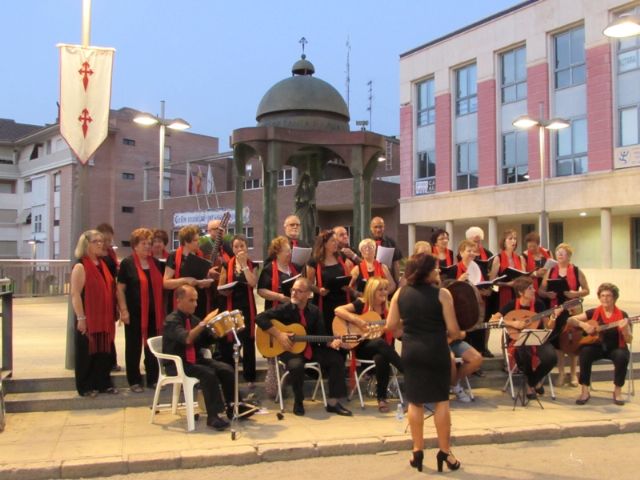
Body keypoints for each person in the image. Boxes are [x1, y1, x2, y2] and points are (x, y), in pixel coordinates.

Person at [386, 253, 462, 473]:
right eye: (435, 268)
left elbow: (391, 325)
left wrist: (408, 332)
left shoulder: (400, 293)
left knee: (415, 401)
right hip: (436, 350)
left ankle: (417, 451)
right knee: (441, 401)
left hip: (412, 350)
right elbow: (454, 330)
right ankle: (445, 452)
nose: (438, 271)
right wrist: (455, 334)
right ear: (426, 271)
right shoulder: (443, 294)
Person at [162, 285, 257, 431]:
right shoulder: (172, 320)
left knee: (226, 369)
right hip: (179, 363)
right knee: (208, 374)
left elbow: (203, 341)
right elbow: (187, 339)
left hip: (196, 359)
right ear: (179, 301)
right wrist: (204, 323)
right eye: (191, 300)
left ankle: (234, 407)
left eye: (196, 300)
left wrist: (219, 331)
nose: (195, 304)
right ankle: (213, 416)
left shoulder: (193, 319)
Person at [256, 277, 352, 417]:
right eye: (292, 290)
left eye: (299, 291)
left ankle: (333, 403)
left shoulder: (315, 311)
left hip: (310, 349)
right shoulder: (285, 308)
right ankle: (298, 401)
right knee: (296, 365)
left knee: (336, 359)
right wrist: (279, 335)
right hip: (289, 350)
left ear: (308, 294)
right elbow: (259, 318)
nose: (294, 293)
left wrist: (332, 342)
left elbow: (321, 336)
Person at [334, 277, 403, 412]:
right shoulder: (361, 303)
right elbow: (338, 310)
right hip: (362, 347)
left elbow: (396, 334)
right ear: (372, 291)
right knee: (379, 343)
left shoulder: (389, 309)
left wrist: (398, 326)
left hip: (381, 349)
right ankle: (406, 370)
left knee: (381, 357)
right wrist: (357, 321)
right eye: (380, 290)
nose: (384, 292)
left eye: (385, 289)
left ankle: (381, 398)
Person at [116, 228, 165, 392]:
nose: (147, 247)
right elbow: (120, 289)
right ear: (135, 246)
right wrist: (123, 311)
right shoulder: (127, 264)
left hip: (154, 313)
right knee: (133, 347)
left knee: (152, 347)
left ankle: (153, 379)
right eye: (143, 243)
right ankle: (134, 381)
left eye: (149, 244)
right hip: (134, 313)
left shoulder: (156, 264)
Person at [70, 230, 118, 397]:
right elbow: (75, 294)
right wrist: (81, 318)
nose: (100, 244)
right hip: (89, 317)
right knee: (87, 353)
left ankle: (103, 383)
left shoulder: (103, 264)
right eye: (95, 241)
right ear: (86, 244)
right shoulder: (80, 266)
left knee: (103, 351)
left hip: (104, 318)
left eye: (101, 241)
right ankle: (86, 386)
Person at [494, 276, 558, 399]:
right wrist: (513, 324)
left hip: (537, 339)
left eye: (533, 288)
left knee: (551, 358)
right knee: (523, 354)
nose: (534, 290)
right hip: (518, 340)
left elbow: (548, 327)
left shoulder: (539, 304)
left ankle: (531, 382)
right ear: (520, 292)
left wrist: (554, 317)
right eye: (530, 288)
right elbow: (494, 319)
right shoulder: (512, 305)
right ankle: (532, 385)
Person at [568, 283, 631, 406]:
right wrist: (584, 325)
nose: (605, 298)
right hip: (596, 346)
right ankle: (585, 391)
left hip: (615, 347)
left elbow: (628, 340)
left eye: (608, 296)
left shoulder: (622, 315)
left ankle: (617, 391)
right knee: (585, 352)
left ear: (614, 298)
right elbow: (570, 320)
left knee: (622, 356)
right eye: (602, 295)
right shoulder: (593, 312)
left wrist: (624, 330)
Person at [539, 243, 590, 387]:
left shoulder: (576, 271)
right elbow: (541, 291)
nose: (559, 255)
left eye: (562, 253)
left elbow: (587, 290)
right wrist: (548, 294)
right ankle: (561, 372)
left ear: (569, 256)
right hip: (556, 309)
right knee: (559, 343)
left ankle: (573, 373)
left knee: (572, 341)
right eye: (558, 253)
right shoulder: (551, 271)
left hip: (572, 309)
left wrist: (576, 293)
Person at [217, 234, 258, 386]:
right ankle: (230, 376)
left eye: (242, 245)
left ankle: (250, 378)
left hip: (247, 307)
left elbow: (253, 283)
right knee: (230, 343)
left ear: (246, 247)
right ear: (232, 249)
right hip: (230, 305)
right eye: (236, 246)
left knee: (248, 341)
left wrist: (244, 265)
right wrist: (224, 290)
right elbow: (220, 287)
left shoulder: (252, 264)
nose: (239, 249)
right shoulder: (226, 265)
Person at [447, 240, 485, 399]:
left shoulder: (475, 269)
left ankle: (454, 384)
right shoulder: (445, 296)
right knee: (449, 359)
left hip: (455, 338)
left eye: (473, 251)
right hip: (442, 341)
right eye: (468, 250)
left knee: (477, 359)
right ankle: (454, 387)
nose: (471, 253)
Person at [163, 225, 215, 320]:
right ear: (186, 242)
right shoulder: (173, 257)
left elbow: (203, 278)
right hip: (181, 301)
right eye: (195, 240)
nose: (198, 243)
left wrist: (205, 282)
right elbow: (166, 283)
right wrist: (185, 280)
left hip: (198, 301)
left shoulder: (200, 255)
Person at [306, 230, 353, 329]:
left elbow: (351, 274)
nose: (336, 243)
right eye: (333, 241)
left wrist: (349, 286)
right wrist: (319, 290)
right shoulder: (314, 261)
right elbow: (308, 284)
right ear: (324, 244)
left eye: (336, 241)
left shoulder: (341, 256)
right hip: (325, 302)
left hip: (343, 301)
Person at [96, 222, 120, 372]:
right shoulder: (95, 255)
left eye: (109, 240)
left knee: (111, 328)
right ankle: (103, 361)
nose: (107, 243)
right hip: (99, 296)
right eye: (104, 240)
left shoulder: (111, 253)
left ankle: (111, 360)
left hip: (111, 293)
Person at [257, 236, 299, 311]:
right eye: (287, 251)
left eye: (290, 250)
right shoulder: (268, 269)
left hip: (294, 311)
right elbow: (261, 291)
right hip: (276, 311)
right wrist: (279, 297)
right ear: (277, 253)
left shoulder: (295, 267)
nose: (290, 253)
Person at [489, 229, 525, 310]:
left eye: (515, 239)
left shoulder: (520, 258)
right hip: (502, 294)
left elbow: (524, 277)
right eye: (510, 238)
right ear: (504, 242)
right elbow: (492, 282)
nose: (513, 241)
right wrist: (508, 284)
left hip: (517, 293)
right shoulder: (498, 258)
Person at [369, 216, 403, 282]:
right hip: (371, 281)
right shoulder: (366, 243)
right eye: (375, 227)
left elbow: (396, 263)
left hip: (388, 281)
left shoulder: (391, 243)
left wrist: (397, 282)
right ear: (371, 228)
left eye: (380, 227)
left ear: (384, 227)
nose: (378, 230)